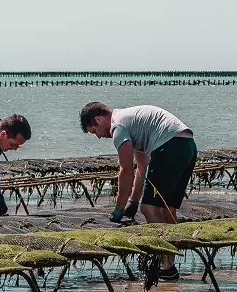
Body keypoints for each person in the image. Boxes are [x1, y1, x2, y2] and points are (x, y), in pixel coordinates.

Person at [79, 101, 197, 280]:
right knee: (167, 209)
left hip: (170, 146)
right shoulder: (132, 123)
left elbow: (126, 170)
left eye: (94, 131)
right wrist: (133, 202)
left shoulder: (118, 127)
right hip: (187, 145)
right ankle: (169, 265)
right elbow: (142, 167)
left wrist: (119, 209)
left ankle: (165, 265)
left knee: (149, 209)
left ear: (99, 119)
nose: (98, 136)